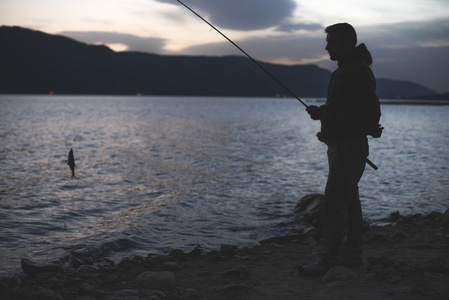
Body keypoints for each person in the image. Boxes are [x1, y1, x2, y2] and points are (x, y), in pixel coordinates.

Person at [299, 23, 382, 276]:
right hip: (344, 146)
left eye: (332, 42)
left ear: (348, 42)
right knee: (349, 204)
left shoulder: (355, 70)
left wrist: (362, 128)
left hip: (348, 148)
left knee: (334, 203)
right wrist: (322, 113)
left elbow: (367, 107)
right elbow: (346, 106)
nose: (327, 47)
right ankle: (352, 258)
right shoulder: (348, 69)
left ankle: (330, 261)